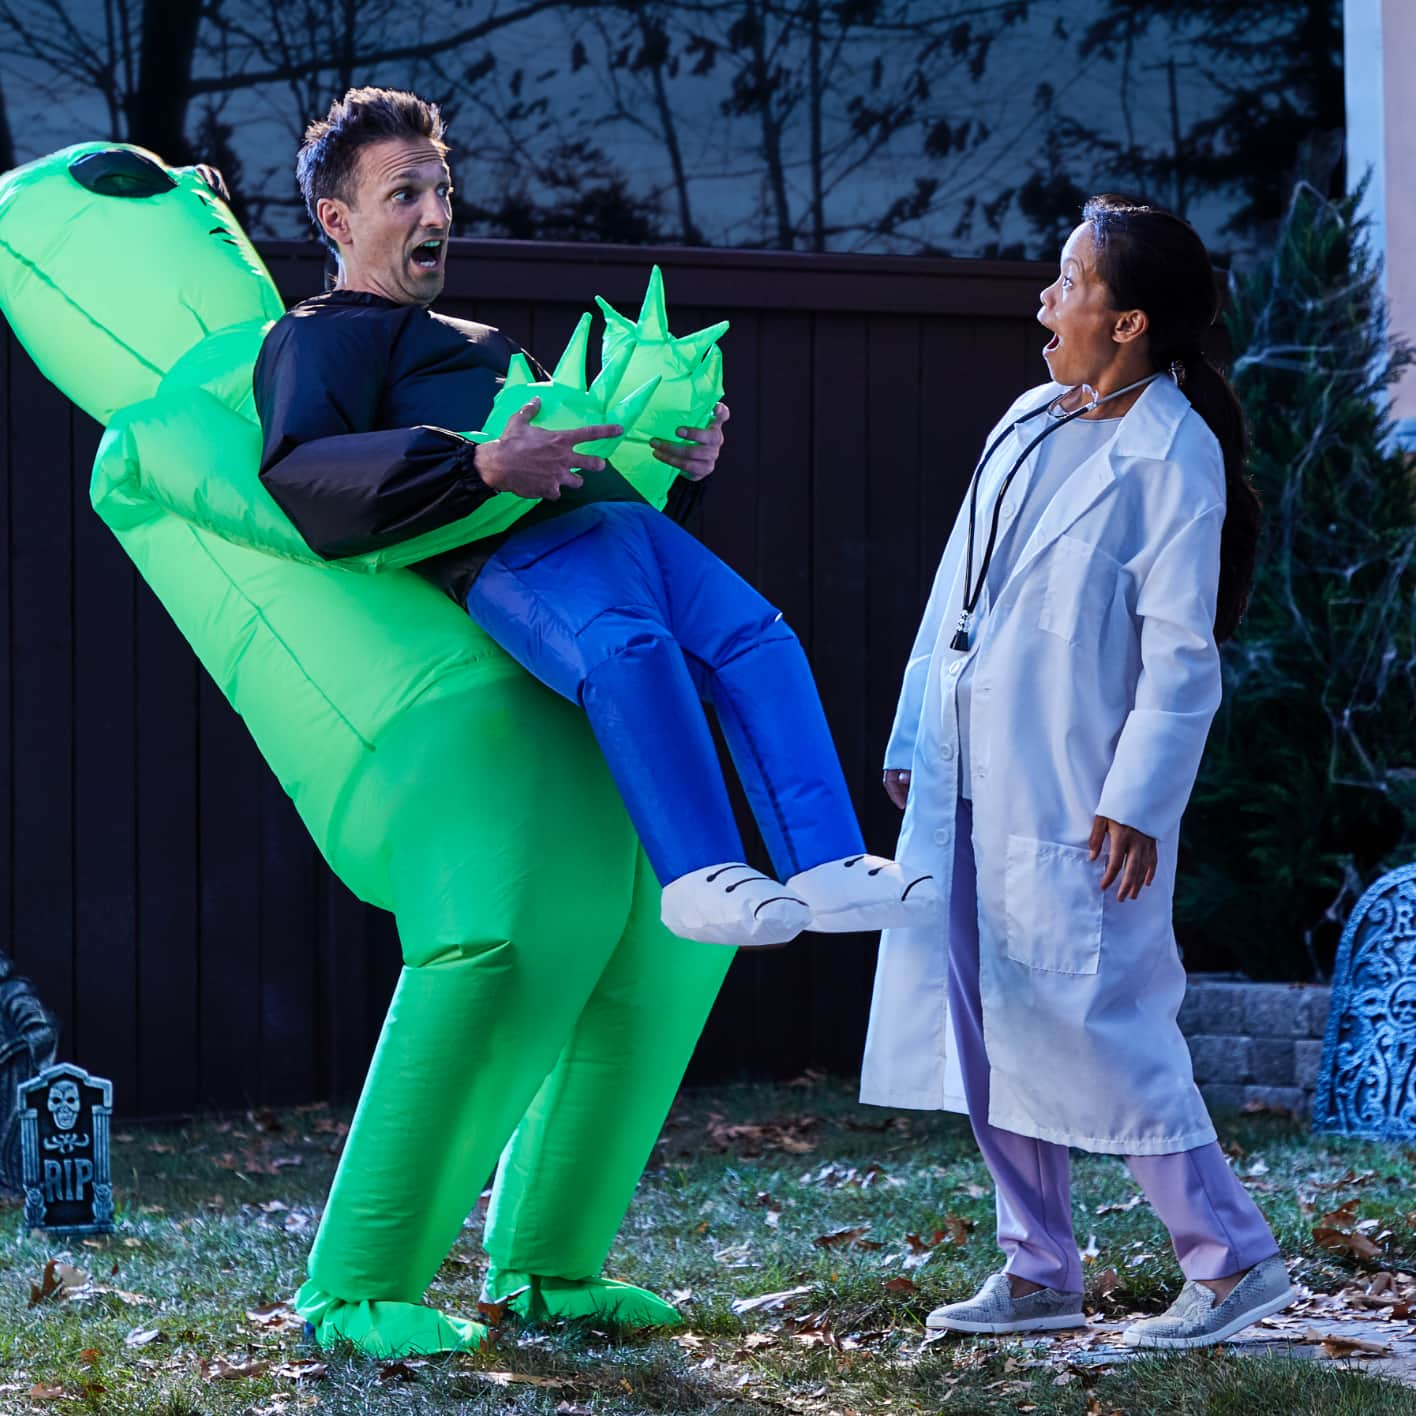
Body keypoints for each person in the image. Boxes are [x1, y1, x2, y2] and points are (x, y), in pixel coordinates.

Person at [256, 87, 937, 949]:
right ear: (337, 219)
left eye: (443, 192)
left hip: (627, 533)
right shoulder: (319, 337)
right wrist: (479, 464)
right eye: (405, 195)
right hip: (515, 555)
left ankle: (830, 865)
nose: (437, 213)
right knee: (629, 652)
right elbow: (303, 474)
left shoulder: (485, 342)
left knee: (758, 641)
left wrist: (675, 462)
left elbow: (587, 461)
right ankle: (701, 873)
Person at [860, 195, 1294, 1350]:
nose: (1046, 301)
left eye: (1070, 281)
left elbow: (1182, 652)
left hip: (1080, 797)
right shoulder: (1024, 421)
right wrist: (916, 733)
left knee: (1107, 1023)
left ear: (1132, 320)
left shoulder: (1174, 453)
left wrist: (1138, 798)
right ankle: (1040, 1267)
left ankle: (1232, 1259)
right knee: (983, 1023)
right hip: (970, 778)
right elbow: (957, 590)